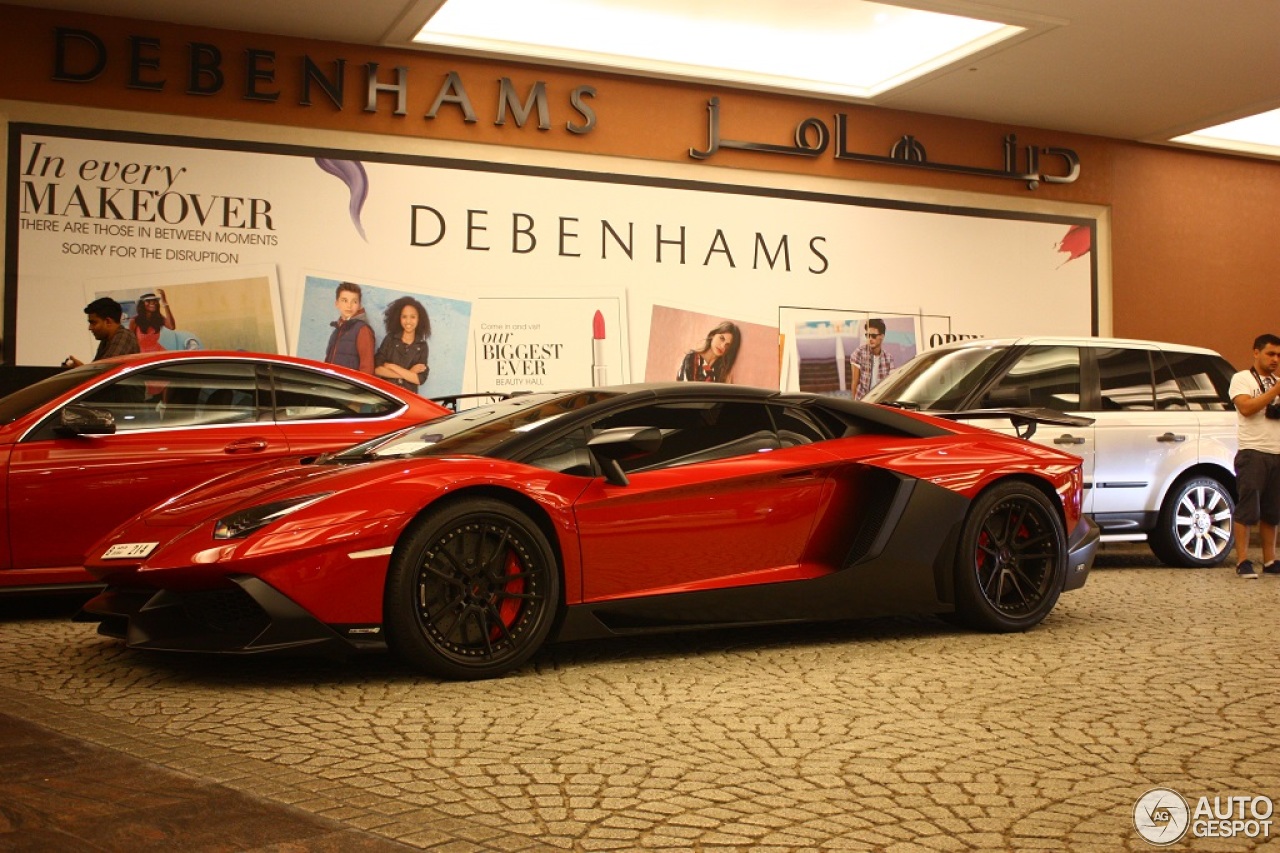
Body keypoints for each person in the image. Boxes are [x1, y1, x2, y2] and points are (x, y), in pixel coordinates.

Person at [1229, 333, 1280, 578]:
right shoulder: (1242, 379)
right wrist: (1275, 391)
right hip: (1253, 452)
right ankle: (1243, 561)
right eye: (1270, 354)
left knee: (1273, 510)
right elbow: (1247, 408)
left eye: (1279, 355)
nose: (1275, 360)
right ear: (1256, 352)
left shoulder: (1276, 381)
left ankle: (1270, 560)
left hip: (1277, 452)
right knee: (1248, 508)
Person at [374, 296, 431, 392]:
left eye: (413, 317)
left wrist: (392, 366)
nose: (408, 321)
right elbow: (377, 370)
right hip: (387, 394)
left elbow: (419, 379)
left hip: (408, 397)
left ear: (419, 319)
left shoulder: (422, 345)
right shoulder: (390, 339)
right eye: (404, 316)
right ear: (398, 318)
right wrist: (409, 373)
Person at [66, 297, 140, 367]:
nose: (90, 328)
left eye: (93, 323)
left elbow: (105, 370)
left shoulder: (124, 336)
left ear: (108, 321)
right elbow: (97, 369)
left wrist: (81, 368)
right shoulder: (106, 340)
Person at [324, 281, 375, 374]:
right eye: (344, 300)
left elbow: (367, 369)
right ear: (337, 303)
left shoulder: (362, 329)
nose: (349, 305)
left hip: (348, 388)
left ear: (359, 305)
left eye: (354, 301)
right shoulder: (336, 331)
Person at [676, 321, 741, 383]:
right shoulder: (692, 357)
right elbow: (686, 389)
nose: (722, 346)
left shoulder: (721, 370)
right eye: (721, 338)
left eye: (727, 345)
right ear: (713, 335)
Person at [848, 318, 895, 400]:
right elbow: (854, 382)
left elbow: (891, 385)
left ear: (882, 336)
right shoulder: (859, 353)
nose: (870, 339)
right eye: (867, 335)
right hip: (862, 400)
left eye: (873, 336)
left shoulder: (888, 358)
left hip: (880, 401)